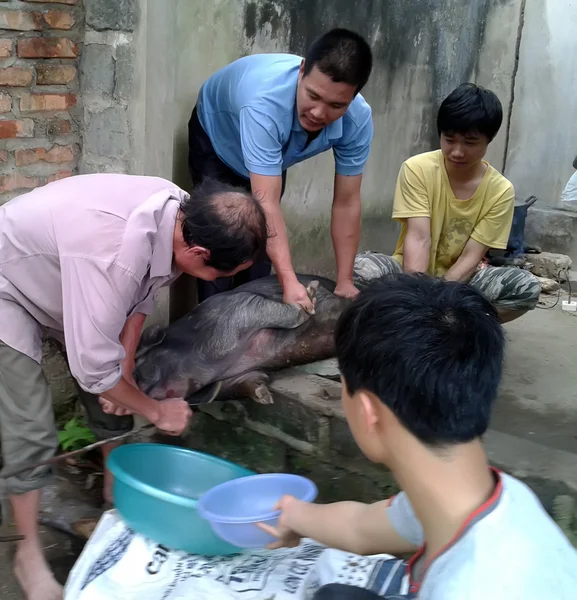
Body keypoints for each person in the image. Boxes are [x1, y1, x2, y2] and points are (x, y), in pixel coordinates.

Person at [0, 174, 268, 600]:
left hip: (63, 276)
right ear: (196, 252)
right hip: (9, 285)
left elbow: (139, 299)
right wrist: (156, 411)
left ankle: (115, 497)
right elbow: (92, 370)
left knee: (121, 382)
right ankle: (28, 554)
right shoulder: (114, 255)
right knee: (31, 429)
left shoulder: (181, 213)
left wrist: (124, 374)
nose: (213, 280)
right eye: (216, 273)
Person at [259, 273, 577, 599]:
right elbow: (359, 528)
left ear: (369, 413)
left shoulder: (473, 587)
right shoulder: (487, 496)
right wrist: (292, 514)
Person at [188, 28, 374, 311]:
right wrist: (289, 282)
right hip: (218, 141)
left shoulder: (358, 119)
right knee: (222, 240)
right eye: (313, 95)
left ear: (354, 97)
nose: (319, 113)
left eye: (337, 105)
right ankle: (214, 321)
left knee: (259, 244)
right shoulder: (264, 102)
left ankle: (253, 318)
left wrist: (345, 282)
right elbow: (267, 204)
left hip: (272, 153)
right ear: (301, 71)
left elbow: (347, 203)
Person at [356, 83, 540, 323]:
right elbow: (419, 238)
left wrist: (437, 300)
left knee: (525, 288)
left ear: (489, 139)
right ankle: (411, 321)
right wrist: (416, 297)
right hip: (411, 272)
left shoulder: (500, 190)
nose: (456, 152)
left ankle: (459, 328)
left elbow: (471, 257)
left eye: (470, 142)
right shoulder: (417, 169)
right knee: (361, 268)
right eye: (449, 139)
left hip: (465, 281)